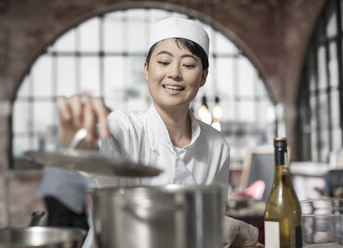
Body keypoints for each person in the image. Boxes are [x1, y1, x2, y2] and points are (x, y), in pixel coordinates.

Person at [57, 17, 262, 248]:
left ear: (203, 76)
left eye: (188, 65)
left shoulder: (216, 146)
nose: (174, 73)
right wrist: (74, 129)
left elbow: (209, 227)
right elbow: (87, 151)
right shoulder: (125, 127)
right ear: (146, 69)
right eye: (164, 62)